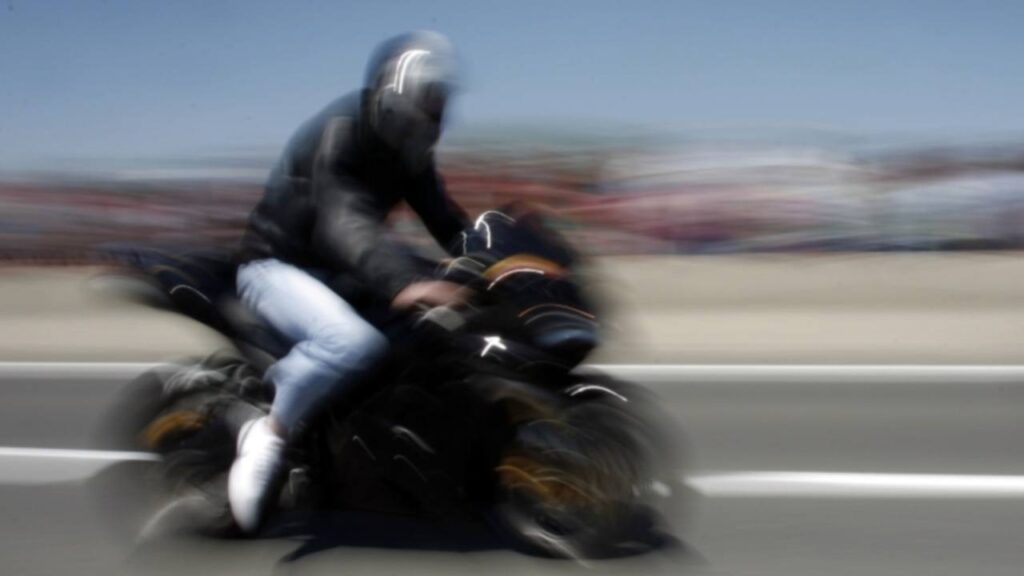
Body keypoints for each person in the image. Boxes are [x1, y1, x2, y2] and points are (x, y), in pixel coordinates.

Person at [230, 31, 470, 533]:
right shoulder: (341, 134)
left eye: (441, 99)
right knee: (352, 343)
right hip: (278, 265)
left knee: (434, 332)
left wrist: (493, 260)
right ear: (398, 92)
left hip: (341, 270)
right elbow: (343, 220)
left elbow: (446, 220)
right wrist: (402, 281)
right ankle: (270, 431)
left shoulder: (408, 152)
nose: (436, 111)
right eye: (429, 98)